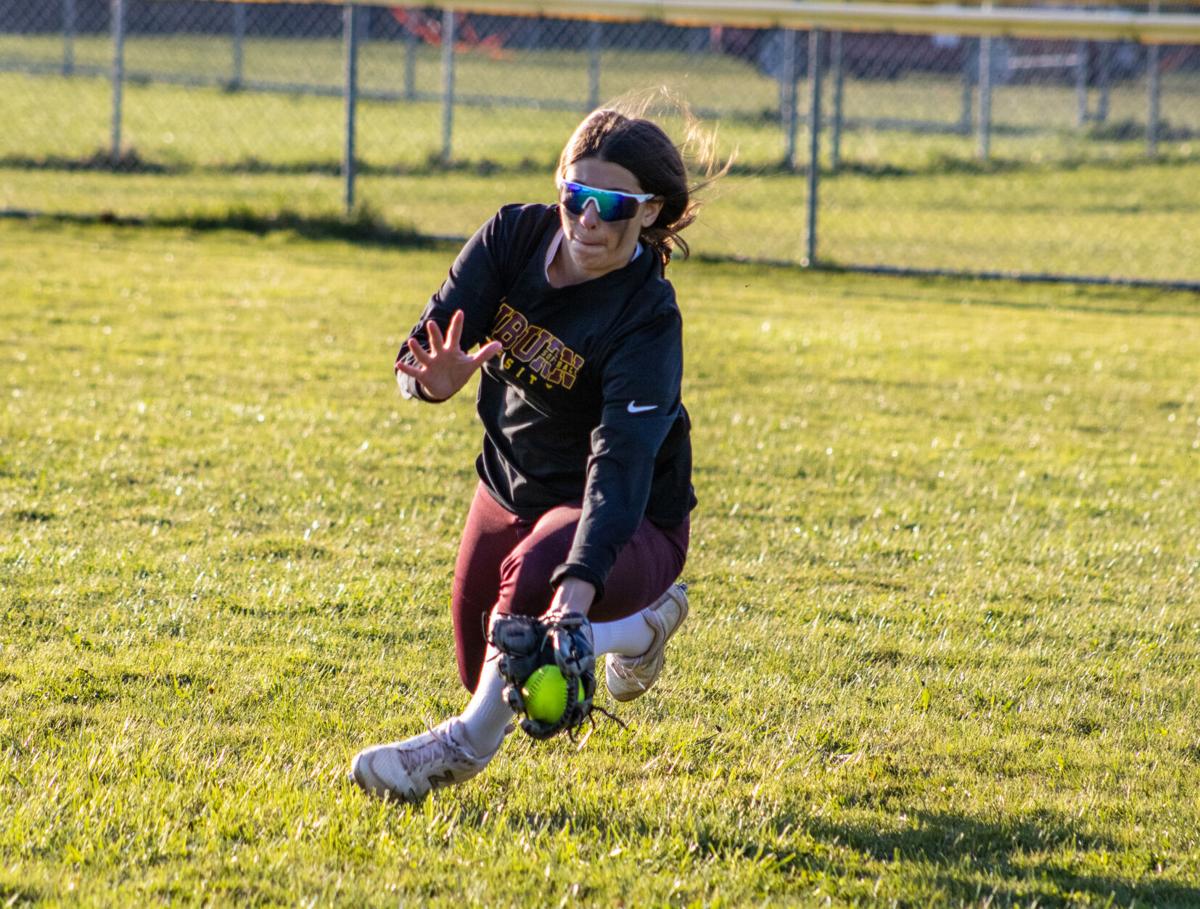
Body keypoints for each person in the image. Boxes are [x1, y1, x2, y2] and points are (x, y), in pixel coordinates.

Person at [350, 104, 718, 802]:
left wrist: (572, 600)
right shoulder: (514, 235)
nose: (587, 220)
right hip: (510, 487)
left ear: (650, 212)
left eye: (611, 205)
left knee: (533, 598)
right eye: (575, 197)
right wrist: (427, 384)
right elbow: (417, 352)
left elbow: (620, 464)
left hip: (629, 518)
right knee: (485, 657)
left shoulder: (647, 315)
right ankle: (640, 628)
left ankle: (459, 747)